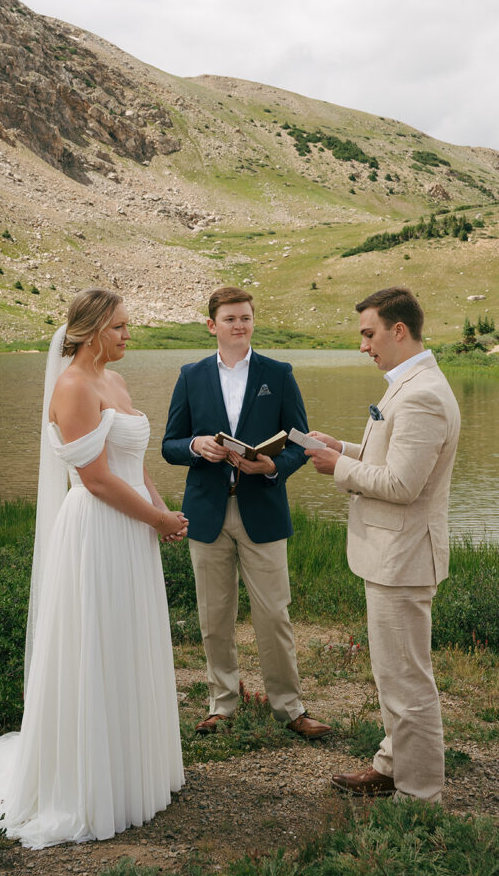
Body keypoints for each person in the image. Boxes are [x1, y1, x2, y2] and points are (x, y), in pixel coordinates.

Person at [0, 289, 186, 846]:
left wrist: (161, 511)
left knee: (127, 641)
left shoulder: (116, 382)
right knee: (95, 643)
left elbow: (133, 463)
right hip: (98, 530)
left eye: (129, 327)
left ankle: (133, 772)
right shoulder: (73, 387)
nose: (129, 336)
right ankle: (89, 786)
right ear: (94, 329)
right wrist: (154, 518)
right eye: (121, 327)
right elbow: (97, 480)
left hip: (133, 529)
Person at [306, 287, 460, 802]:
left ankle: (420, 794)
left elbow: (402, 485)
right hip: (394, 554)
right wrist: (342, 448)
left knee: (407, 681)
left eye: (369, 334)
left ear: (399, 331)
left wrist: (339, 469)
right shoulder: (409, 384)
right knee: (392, 674)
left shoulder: (421, 395)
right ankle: (393, 763)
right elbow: (391, 455)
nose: (364, 346)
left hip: (404, 557)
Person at [162, 286, 330, 739]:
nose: (240, 325)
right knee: (213, 615)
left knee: (274, 614)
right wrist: (196, 446)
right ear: (213, 325)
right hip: (207, 513)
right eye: (231, 319)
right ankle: (222, 704)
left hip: (263, 510)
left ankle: (290, 708)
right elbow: (169, 445)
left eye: (247, 318)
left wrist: (273, 464)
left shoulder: (279, 373)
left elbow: (301, 441)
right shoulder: (191, 375)